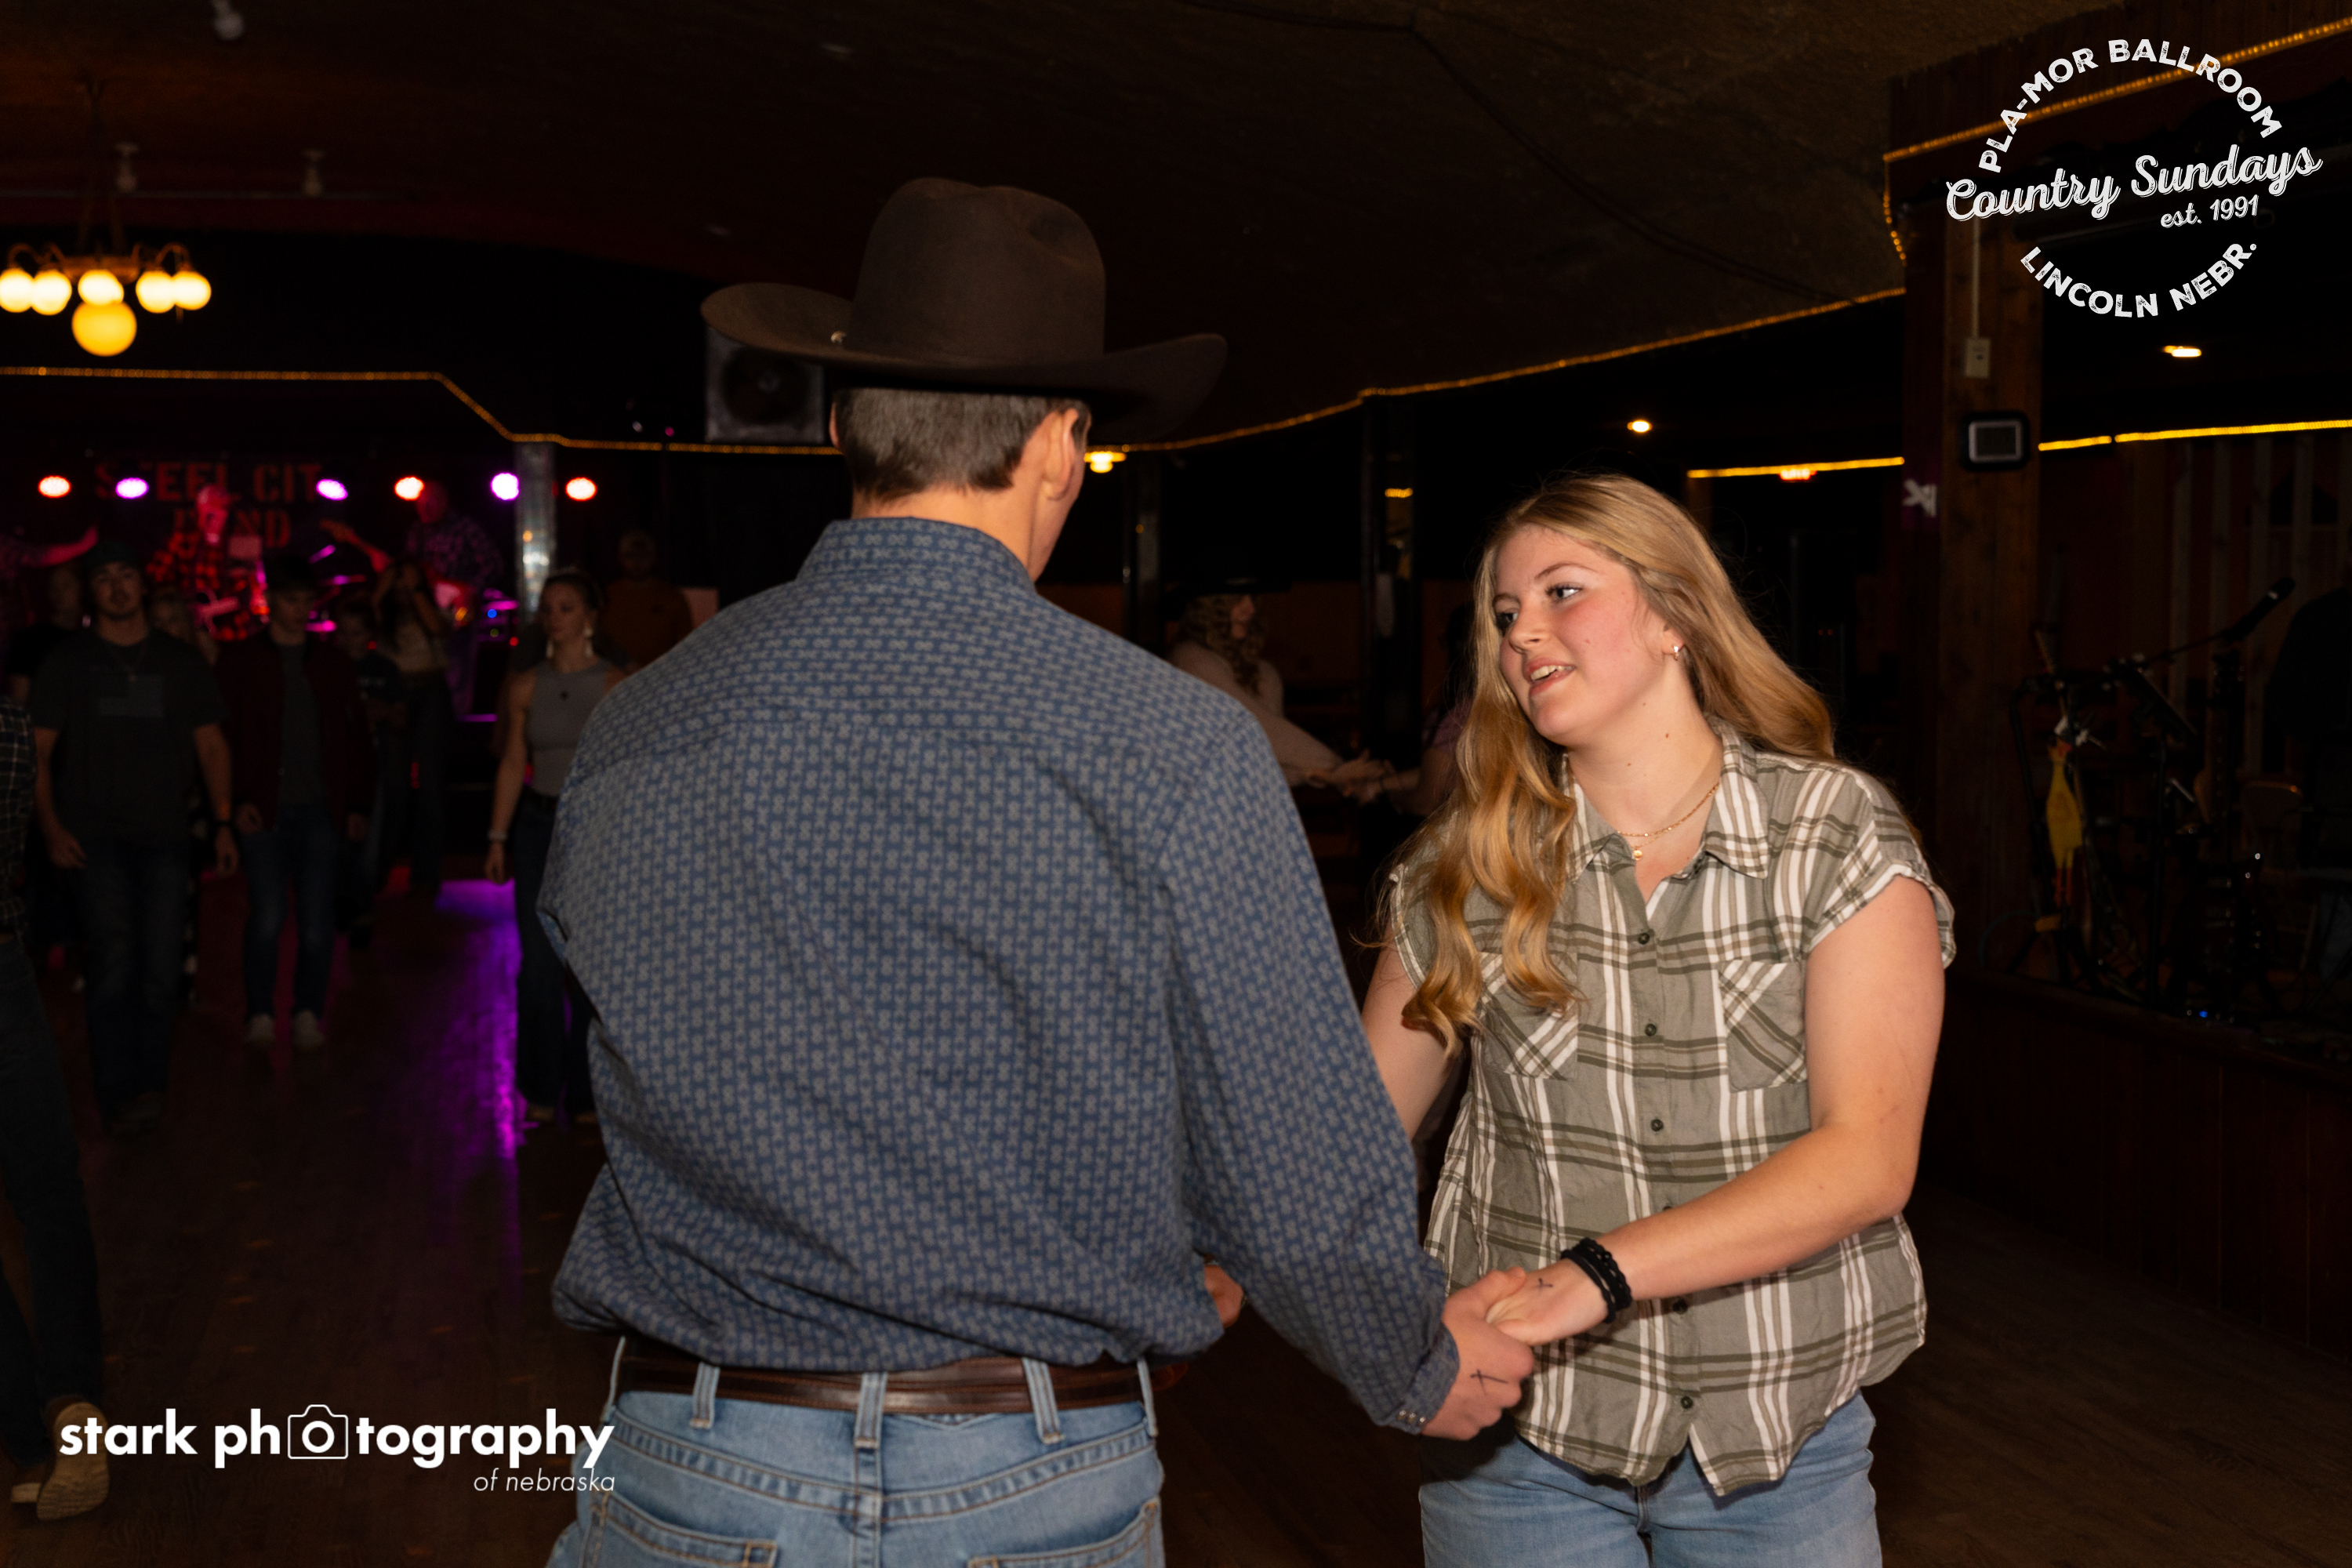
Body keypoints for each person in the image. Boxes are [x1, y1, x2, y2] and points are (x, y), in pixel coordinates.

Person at [537, 179, 1536, 1568]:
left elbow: (631, 1036)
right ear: (1063, 445)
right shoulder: (1173, 745)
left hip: (692, 1458)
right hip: (1020, 1471)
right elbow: (1294, 1162)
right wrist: (1415, 1358)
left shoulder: (640, 725)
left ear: (840, 427)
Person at [1364, 474, 1951, 1566]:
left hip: (1774, 1443)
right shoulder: (1466, 866)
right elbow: (1349, 1145)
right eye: (1505, 612)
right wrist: (1381, 1332)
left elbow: (1867, 1157)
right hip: (1518, 1447)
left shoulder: (1830, 834)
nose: (1521, 632)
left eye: (1562, 591)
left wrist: (1593, 1275)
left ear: (1675, 613)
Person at [31, 540, 237, 1134]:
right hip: (93, 834)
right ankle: (120, 1092)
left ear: (143, 585)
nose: (117, 587)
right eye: (104, 579)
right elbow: (36, 750)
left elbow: (212, 745)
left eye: (126, 575)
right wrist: (49, 827)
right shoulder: (68, 662)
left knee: (162, 966)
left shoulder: (178, 661)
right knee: (114, 959)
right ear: (90, 592)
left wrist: (223, 822)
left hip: (165, 833)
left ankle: (150, 1083)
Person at [0, 688, 108, 1522]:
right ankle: (36, 1427)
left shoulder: (8, 725)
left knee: (48, 1192)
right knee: (49, 1195)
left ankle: (69, 1413)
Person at [216, 555, 374, 1051]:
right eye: (292, 600)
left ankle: (306, 1010)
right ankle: (262, 1012)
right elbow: (223, 737)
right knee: (268, 916)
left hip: (317, 809)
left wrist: (355, 805)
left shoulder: (330, 663)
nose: (301, 609)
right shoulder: (242, 662)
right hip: (264, 808)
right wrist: (236, 801)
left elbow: (354, 738)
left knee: (315, 921)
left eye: (306, 600)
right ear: (271, 601)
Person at [485, 569, 624, 1123]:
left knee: (589, 965)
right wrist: (497, 837)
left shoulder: (615, 684)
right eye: (547, 608)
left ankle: (590, 1095)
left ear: (589, 616)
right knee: (539, 965)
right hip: (539, 825)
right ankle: (541, 1088)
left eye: (565, 607)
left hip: (593, 828)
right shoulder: (525, 685)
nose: (553, 617)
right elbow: (513, 763)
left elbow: (628, 768)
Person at [1168, 590, 1392, 797]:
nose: (1250, 608)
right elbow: (1255, 727)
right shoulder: (1190, 660)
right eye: (1237, 598)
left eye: (1252, 597)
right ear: (1209, 606)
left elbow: (1269, 760)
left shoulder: (1264, 673)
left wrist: (1327, 775)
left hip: (1250, 805)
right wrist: (1334, 766)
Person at [372, 558, 452, 899]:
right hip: (394, 695)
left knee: (431, 786)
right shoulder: (382, 617)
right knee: (394, 787)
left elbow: (437, 628)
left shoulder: (435, 610)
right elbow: (364, 623)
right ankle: (376, 872)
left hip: (430, 691)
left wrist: (417, 588)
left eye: (410, 587)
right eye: (399, 588)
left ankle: (426, 874)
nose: (404, 593)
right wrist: (382, 589)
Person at [330, 599, 407, 951]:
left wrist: (383, 712)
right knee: (339, 840)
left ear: (370, 634)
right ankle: (351, 907)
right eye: (343, 633)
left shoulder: (384, 670)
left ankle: (360, 909)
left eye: (356, 633)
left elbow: (402, 718)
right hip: (337, 768)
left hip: (374, 767)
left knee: (370, 841)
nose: (349, 640)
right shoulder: (329, 668)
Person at [405, 480, 506, 713]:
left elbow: (494, 564)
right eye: (420, 505)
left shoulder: (465, 527)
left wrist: (468, 590)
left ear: (443, 502)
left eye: (429, 504)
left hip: (459, 610)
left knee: (458, 668)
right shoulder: (417, 531)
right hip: (425, 611)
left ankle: (456, 721)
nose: (424, 510)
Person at [146, 483, 261, 643]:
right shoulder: (181, 539)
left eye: (221, 508)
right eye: (211, 507)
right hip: (187, 633)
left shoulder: (239, 542)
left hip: (230, 632)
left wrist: (207, 610)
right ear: (199, 508)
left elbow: (246, 593)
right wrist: (182, 607)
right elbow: (156, 578)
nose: (216, 513)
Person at [599, 528, 694, 669]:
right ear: (620, 558)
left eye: (643, 556)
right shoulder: (606, 596)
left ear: (654, 558)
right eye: (631, 556)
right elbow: (597, 640)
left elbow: (686, 644)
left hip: (660, 673)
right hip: (613, 674)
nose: (637, 562)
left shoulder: (672, 596)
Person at [7, 560, 93, 704]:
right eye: (53, 587)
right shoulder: (29, 639)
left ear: (82, 589)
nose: (58, 593)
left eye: (66, 586)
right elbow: (19, 699)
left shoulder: (93, 636)